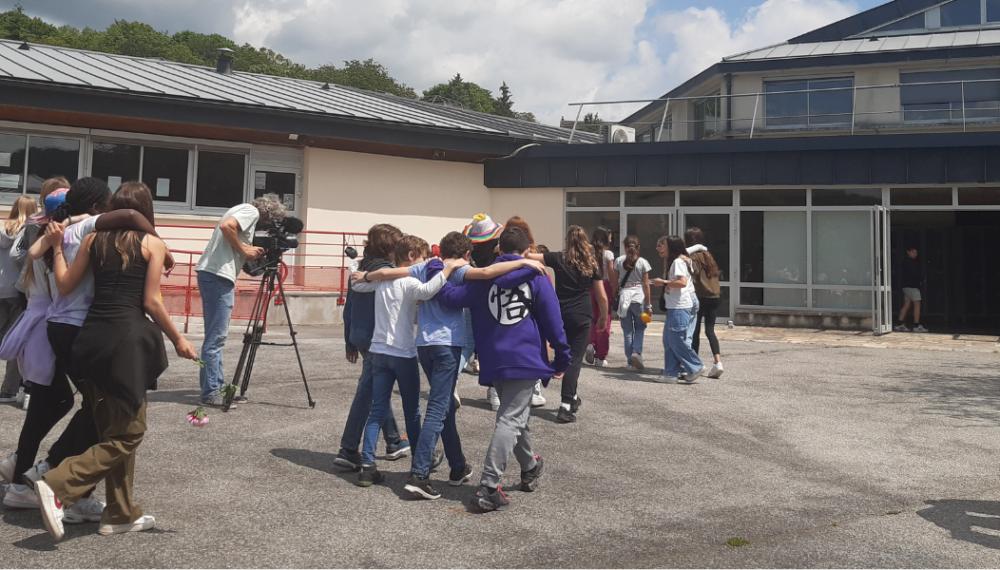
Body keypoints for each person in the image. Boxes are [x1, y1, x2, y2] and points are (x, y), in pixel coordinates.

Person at [36, 181, 199, 540]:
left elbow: (64, 287)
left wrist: (58, 249)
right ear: (146, 211)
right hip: (126, 344)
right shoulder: (152, 243)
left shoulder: (94, 240)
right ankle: (59, 483)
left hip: (89, 340)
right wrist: (179, 340)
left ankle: (120, 513)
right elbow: (152, 302)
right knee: (129, 433)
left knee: (113, 430)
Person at [11, 178, 160, 516]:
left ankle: (39, 476)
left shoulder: (59, 229)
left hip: (55, 326)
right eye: (107, 206)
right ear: (95, 208)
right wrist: (157, 244)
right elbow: (132, 221)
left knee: (87, 407)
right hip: (85, 328)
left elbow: (34, 255)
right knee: (105, 414)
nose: (112, 211)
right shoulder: (93, 230)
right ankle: (53, 476)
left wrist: (57, 233)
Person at [357, 231, 545, 498]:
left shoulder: (426, 265)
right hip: (447, 345)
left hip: (424, 345)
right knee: (436, 409)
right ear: (466, 254)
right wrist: (522, 262)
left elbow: (392, 273)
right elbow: (487, 274)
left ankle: (457, 466)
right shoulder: (457, 269)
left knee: (444, 406)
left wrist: (366, 276)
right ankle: (419, 474)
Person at [435, 227, 571, 512]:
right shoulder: (537, 275)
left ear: (498, 250)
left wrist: (441, 269)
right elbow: (553, 320)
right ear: (526, 252)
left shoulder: (483, 276)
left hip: (493, 357)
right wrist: (562, 357)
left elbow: (451, 299)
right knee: (511, 418)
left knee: (513, 414)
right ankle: (489, 485)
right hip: (525, 356)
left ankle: (530, 467)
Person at [349, 235, 465, 488]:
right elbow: (427, 291)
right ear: (411, 256)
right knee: (412, 411)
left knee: (377, 410)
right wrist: (448, 268)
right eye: (423, 258)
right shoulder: (407, 280)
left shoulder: (380, 280)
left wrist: (355, 265)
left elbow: (357, 285)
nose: (424, 263)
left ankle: (367, 465)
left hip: (378, 351)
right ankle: (420, 459)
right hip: (402, 353)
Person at [195, 197, 286, 409]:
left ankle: (217, 388)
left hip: (213, 275)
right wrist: (245, 250)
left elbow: (229, 239)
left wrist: (248, 253)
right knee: (216, 339)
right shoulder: (249, 211)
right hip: (217, 277)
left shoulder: (239, 210)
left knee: (215, 337)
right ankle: (210, 393)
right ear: (267, 215)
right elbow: (228, 227)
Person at [334, 224, 409, 471]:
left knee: (379, 388)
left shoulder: (359, 268)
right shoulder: (388, 273)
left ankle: (394, 441)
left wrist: (349, 341)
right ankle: (348, 449)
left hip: (362, 336)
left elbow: (350, 307)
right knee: (367, 392)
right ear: (390, 250)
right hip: (380, 340)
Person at [527, 225, 607, 423]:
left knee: (568, 357)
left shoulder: (558, 258)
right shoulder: (592, 263)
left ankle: (573, 398)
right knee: (574, 360)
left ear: (567, 241)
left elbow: (528, 256)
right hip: (582, 315)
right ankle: (565, 405)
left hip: (560, 313)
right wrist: (604, 317)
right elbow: (601, 295)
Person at [504, 216, 548, 408]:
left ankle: (497, 391)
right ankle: (535, 387)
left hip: (504, 303)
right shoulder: (534, 253)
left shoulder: (500, 254)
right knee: (536, 341)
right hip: (531, 300)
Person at [462, 214, 503, 409]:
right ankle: (495, 391)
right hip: (496, 299)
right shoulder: (498, 250)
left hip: (474, 297)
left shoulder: (470, 252)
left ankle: (449, 385)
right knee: (495, 344)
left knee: (470, 342)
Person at [0, 196, 38, 403]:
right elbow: (18, 256)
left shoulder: (3, 228)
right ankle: (9, 389)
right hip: (17, 290)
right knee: (16, 339)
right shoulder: (29, 230)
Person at [652, 236, 704, 384]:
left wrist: (663, 282)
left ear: (671, 247)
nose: (659, 249)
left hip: (680, 306)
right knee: (669, 341)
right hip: (675, 305)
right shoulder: (678, 261)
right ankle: (670, 373)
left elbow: (682, 282)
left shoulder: (678, 262)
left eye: (663, 245)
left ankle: (695, 366)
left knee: (677, 340)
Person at [685, 227, 724, 378]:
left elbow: (692, 270)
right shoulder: (708, 255)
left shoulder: (694, 257)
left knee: (695, 331)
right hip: (715, 296)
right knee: (710, 331)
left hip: (701, 296)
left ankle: (694, 364)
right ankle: (718, 362)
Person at [614, 236, 652, 371]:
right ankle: (636, 352)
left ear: (624, 247)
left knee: (627, 331)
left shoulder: (618, 261)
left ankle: (630, 361)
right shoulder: (642, 262)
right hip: (638, 298)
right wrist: (649, 305)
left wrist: (615, 296)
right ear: (638, 247)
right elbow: (646, 284)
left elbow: (616, 281)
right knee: (640, 328)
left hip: (624, 297)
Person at [585, 226, 615, 367]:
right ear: (605, 238)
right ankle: (600, 356)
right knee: (605, 319)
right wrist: (615, 289)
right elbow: (611, 272)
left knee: (594, 318)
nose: (611, 239)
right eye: (609, 237)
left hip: (591, 286)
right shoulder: (608, 254)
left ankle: (591, 343)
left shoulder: (588, 253)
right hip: (604, 285)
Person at [895, 246, 927, 333]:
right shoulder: (912, 263)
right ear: (908, 252)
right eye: (913, 252)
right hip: (913, 286)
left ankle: (899, 323)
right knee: (917, 305)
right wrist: (922, 279)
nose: (915, 254)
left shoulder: (904, 262)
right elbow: (915, 274)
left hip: (905, 286)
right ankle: (916, 325)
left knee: (907, 304)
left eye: (916, 252)